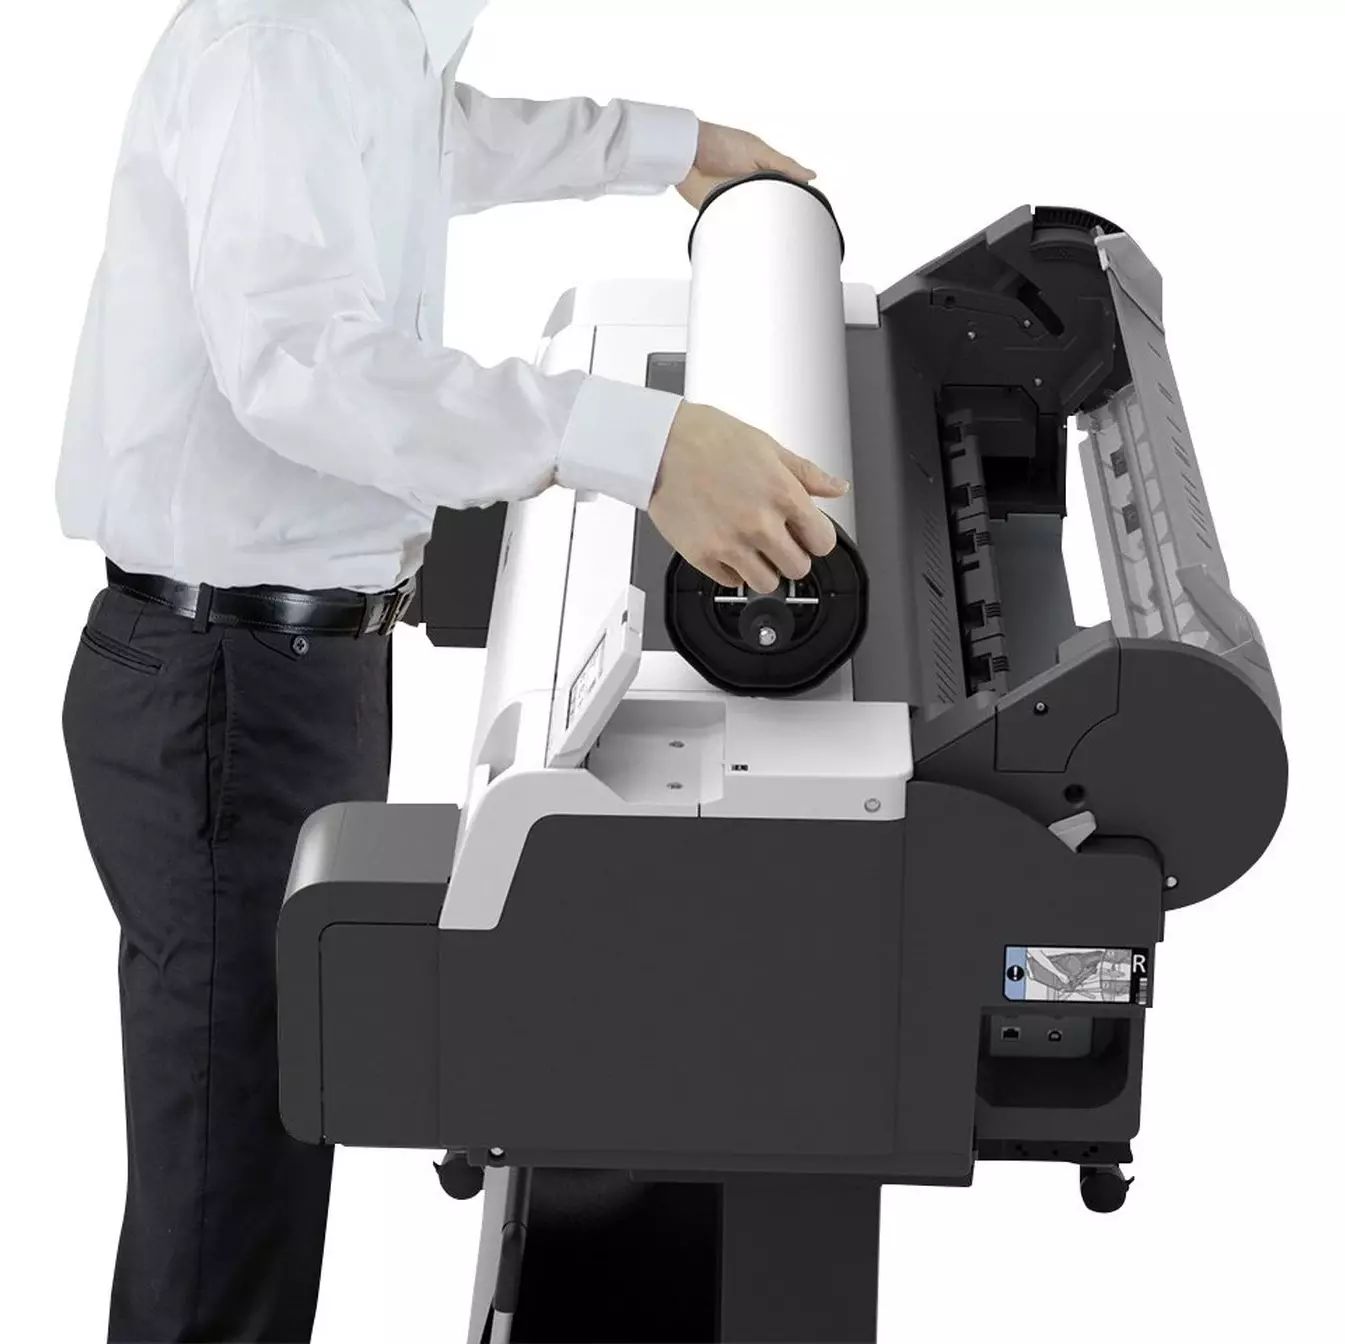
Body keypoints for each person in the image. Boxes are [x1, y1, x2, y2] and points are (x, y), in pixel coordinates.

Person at [56, 1, 847, 1340]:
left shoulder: (371, 32)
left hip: (293, 667)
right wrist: (640, 443)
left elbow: (428, 141)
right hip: (222, 688)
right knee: (227, 1185)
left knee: (266, 1143)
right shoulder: (284, 38)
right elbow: (297, 365)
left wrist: (669, 145)